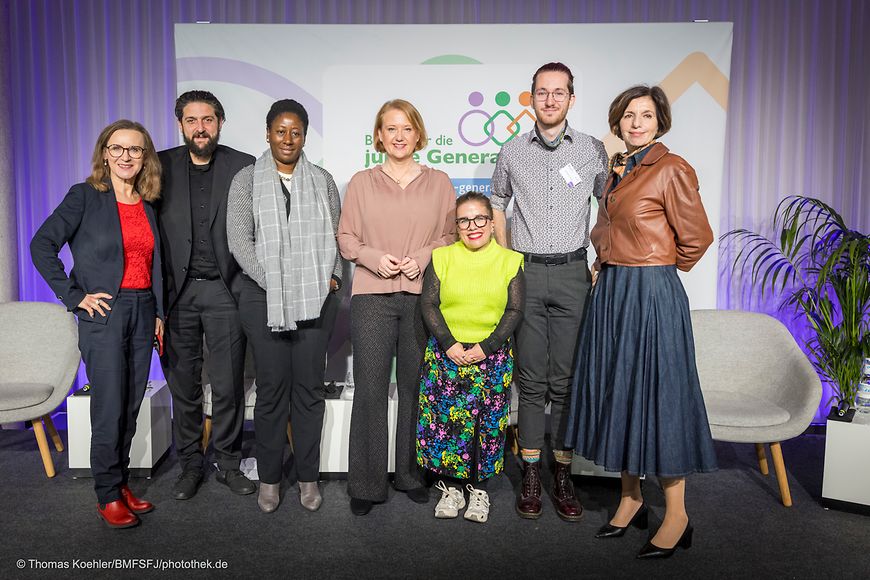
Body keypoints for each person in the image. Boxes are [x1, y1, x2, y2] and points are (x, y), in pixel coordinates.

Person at [564, 85, 717, 559]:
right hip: (612, 291)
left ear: (660, 121)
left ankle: (677, 514)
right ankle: (630, 498)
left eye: (645, 115)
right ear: (618, 122)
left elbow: (697, 238)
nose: (635, 122)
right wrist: (607, 260)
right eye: (628, 115)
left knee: (659, 396)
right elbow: (613, 229)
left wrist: (656, 270)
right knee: (621, 390)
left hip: (649, 294)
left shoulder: (671, 168)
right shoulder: (618, 170)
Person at [30, 120, 164, 528]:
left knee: (130, 403)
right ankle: (106, 495)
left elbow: (150, 264)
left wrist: (158, 313)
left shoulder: (146, 202)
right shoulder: (85, 196)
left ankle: (120, 483)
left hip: (143, 311)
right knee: (108, 407)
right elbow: (42, 245)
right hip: (104, 313)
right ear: (104, 152)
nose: (126, 156)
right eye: (118, 148)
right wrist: (74, 297)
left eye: (135, 150)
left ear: (145, 158)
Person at [490, 62, 608, 520]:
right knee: (532, 382)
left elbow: (609, 205)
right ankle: (532, 472)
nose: (551, 100)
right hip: (526, 273)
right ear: (531, 98)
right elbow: (498, 201)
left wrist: (602, 257)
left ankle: (564, 472)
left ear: (572, 99)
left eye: (560, 93)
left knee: (566, 382)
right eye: (543, 92)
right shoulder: (513, 150)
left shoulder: (593, 150)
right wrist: (504, 258)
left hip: (574, 273)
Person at [337, 99, 456, 516]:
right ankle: (366, 484)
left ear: (418, 135)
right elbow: (347, 237)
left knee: (415, 387)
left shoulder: (440, 182)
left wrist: (422, 256)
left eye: (407, 128)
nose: (399, 136)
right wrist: (372, 256)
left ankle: (409, 475)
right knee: (369, 389)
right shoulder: (361, 181)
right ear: (379, 137)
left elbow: (450, 236)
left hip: (422, 295)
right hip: (372, 296)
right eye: (391, 129)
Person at [227, 99, 343, 513]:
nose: (288, 139)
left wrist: (334, 278)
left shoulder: (323, 180)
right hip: (264, 298)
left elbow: (336, 238)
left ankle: (308, 479)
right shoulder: (245, 180)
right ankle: (270, 480)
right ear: (267, 133)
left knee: (309, 391)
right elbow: (240, 242)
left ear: (304, 136)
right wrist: (277, 282)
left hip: (315, 298)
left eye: (295, 132)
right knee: (273, 391)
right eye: (280, 130)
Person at [157, 90, 256, 501]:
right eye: (192, 120)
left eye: (209, 120)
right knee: (184, 387)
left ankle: (228, 462)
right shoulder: (157, 165)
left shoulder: (243, 166)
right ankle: (190, 465)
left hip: (224, 291)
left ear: (220, 122)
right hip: (176, 295)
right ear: (180, 124)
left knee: (229, 383)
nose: (201, 128)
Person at [417, 192, 525, 524]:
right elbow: (429, 304)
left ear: (492, 224)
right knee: (448, 425)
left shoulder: (510, 261)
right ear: (457, 226)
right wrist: (448, 343)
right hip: (447, 355)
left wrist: (488, 346)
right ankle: (451, 489)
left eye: (480, 219)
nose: (472, 226)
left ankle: (480, 493)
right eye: (464, 220)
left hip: (491, 356)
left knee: (487, 427)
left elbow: (514, 309)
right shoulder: (442, 257)